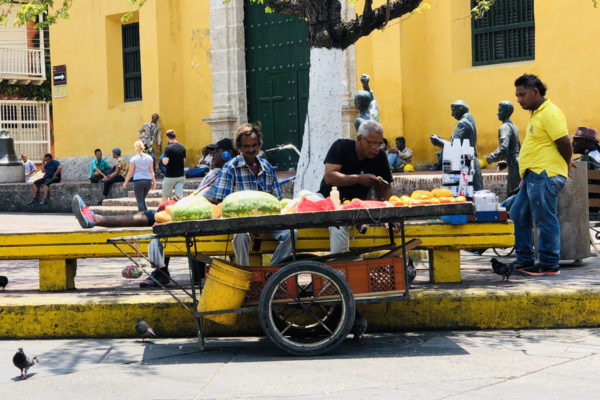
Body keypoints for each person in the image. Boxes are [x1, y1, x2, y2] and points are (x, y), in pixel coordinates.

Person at [509, 73, 573, 276]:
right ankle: (525, 260)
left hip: (545, 175)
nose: (519, 100)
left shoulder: (550, 112)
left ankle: (548, 264)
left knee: (545, 219)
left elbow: (564, 141)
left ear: (535, 92)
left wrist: (567, 162)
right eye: (517, 95)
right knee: (518, 214)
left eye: (522, 94)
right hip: (532, 176)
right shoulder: (536, 114)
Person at [211, 123, 296, 266]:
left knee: (291, 234)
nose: (251, 149)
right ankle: (245, 273)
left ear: (259, 145)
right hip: (240, 223)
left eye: (254, 145)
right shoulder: (230, 168)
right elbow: (221, 201)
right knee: (241, 236)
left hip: (267, 221)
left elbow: (277, 200)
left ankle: (272, 273)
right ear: (239, 147)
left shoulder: (267, 167)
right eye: (246, 146)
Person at [319, 120, 394, 253]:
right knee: (305, 197)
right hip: (326, 202)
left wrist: (389, 215)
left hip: (355, 207)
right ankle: (339, 268)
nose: (377, 148)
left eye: (380, 143)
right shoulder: (341, 146)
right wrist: (359, 179)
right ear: (360, 139)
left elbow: (386, 186)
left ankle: (341, 267)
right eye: (373, 143)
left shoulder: (380, 156)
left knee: (341, 223)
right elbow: (329, 177)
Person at [429, 100, 483, 190]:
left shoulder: (462, 124)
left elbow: (455, 148)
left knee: (469, 194)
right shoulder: (469, 120)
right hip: (471, 161)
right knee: (476, 191)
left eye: (453, 111)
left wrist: (438, 141)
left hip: (466, 164)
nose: (452, 114)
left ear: (460, 109)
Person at [485, 101, 521, 196]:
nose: (498, 113)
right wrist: (505, 161)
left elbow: (504, 147)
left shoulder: (504, 127)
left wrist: (491, 158)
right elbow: (516, 147)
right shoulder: (513, 126)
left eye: (500, 110)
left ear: (506, 112)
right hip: (515, 163)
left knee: (514, 194)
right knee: (515, 192)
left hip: (514, 164)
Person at [123, 140, 156, 211]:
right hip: (148, 181)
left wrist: (126, 182)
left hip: (138, 181)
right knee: (142, 200)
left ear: (135, 148)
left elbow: (130, 172)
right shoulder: (149, 157)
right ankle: (147, 216)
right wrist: (154, 182)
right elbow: (151, 171)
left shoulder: (133, 159)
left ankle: (142, 218)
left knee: (140, 201)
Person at [161, 130, 186, 201]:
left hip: (170, 175)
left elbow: (165, 162)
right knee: (179, 196)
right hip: (180, 175)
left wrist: (162, 160)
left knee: (165, 196)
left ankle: (164, 210)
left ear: (167, 137)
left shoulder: (168, 148)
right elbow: (183, 161)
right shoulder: (182, 147)